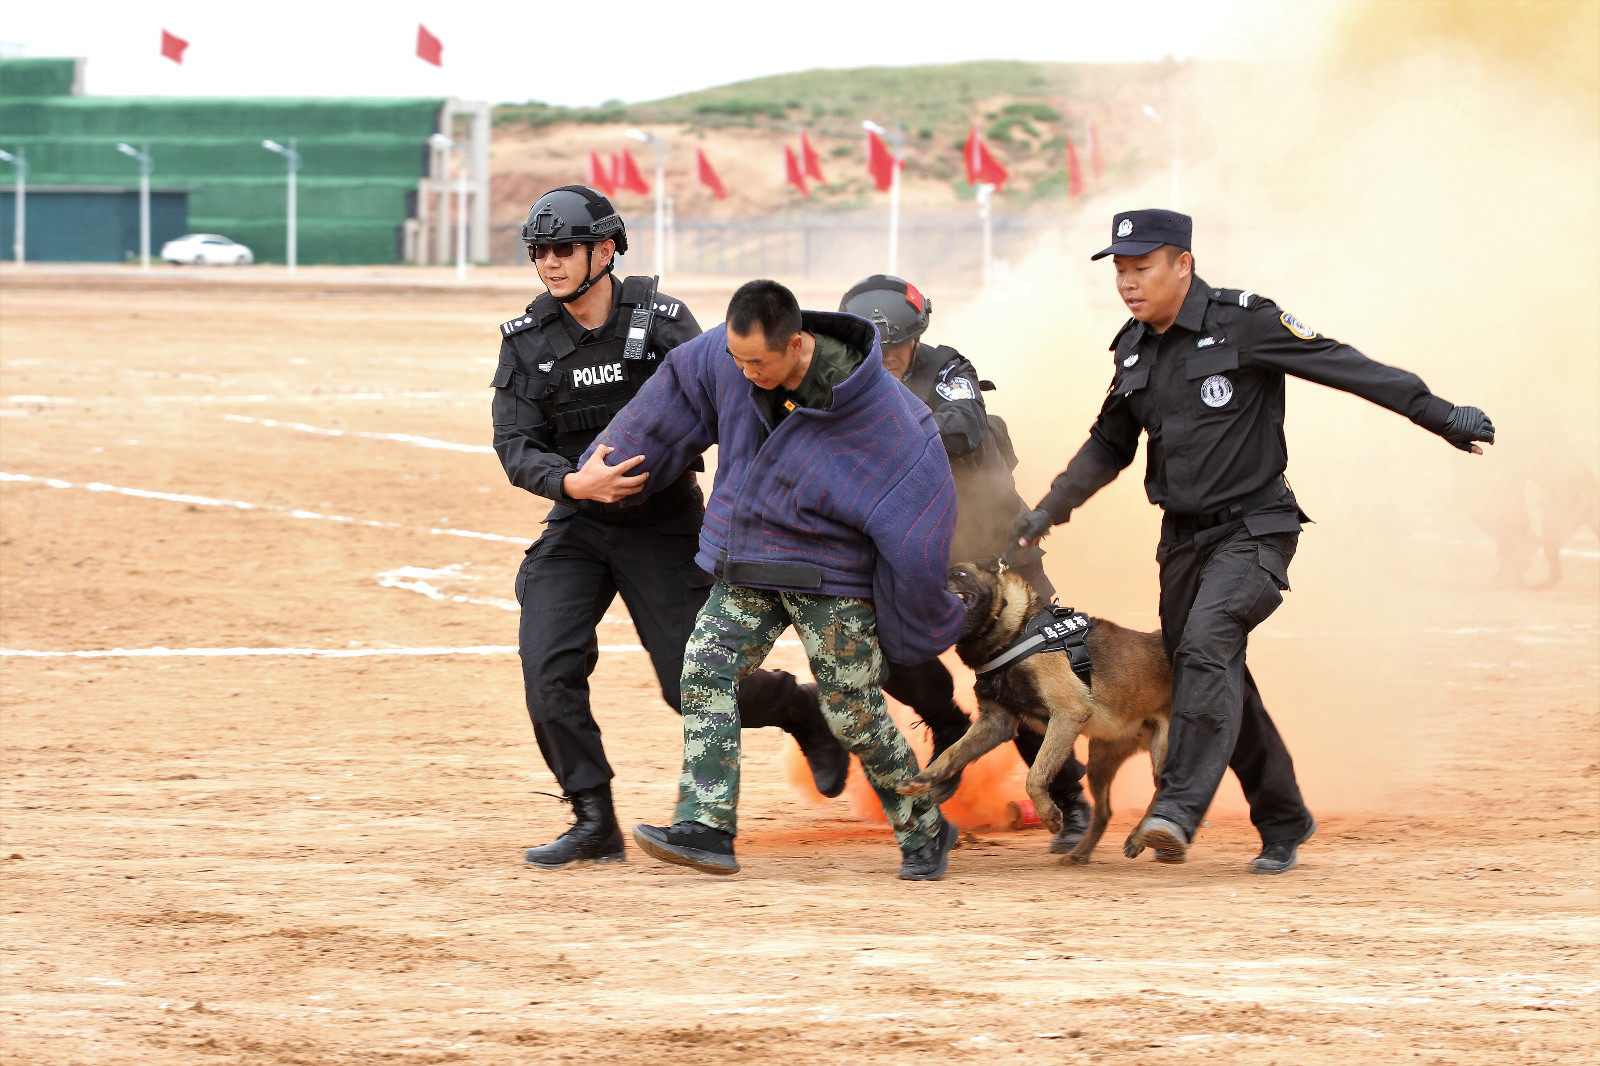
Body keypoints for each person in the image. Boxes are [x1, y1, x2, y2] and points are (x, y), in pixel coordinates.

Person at [1014, 209, 1495, 874]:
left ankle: (1176, 808)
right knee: (1212, 677)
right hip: (1183, 544)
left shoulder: (1245, 322)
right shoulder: (1134, 348)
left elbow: (1344, 366)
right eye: (1120, 271)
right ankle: (1284, 817)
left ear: (1183, 264)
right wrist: (1049, 508)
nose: (1127, 282)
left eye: (1141, 268)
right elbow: (1110, 443)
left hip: (1256, 530)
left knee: (1207, 644)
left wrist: (1438, 413)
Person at [491, 187, 848, 871]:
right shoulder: (527, 340)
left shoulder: (661, 322)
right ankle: (593, 820)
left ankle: (801, 710)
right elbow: (515, 445)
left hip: (663, 522)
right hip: (577, 523)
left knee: (690, 683)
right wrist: (572, 484)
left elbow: (731, 398)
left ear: (605, 250)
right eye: (539, 251)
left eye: (563, 248)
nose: (550, 262)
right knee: (547, 671)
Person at [583, 279, 966, 880]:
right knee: (703, 671)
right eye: (737, 360)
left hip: (832, 573)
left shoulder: (882, 407)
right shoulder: (731, 357)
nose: (746, 373)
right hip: (752, 556)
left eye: (758, 363)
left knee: (853, 711)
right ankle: (706, 826)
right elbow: (679, 386)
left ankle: (925, 828)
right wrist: (607, 461)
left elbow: (921, 501)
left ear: (796, 343)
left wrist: (916, 606)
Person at [838, 274, 1092, 850]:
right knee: (876, 651)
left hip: (992, 554)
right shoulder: (840, 379)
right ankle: (946, 720)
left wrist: (876, 431)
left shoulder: (948, 369)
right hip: (911, 556)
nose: (886, 360)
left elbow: (963, 428)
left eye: (896, 348)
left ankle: (1067, 797)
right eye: (874, 350)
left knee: (1027, 680)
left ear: (917, 339)